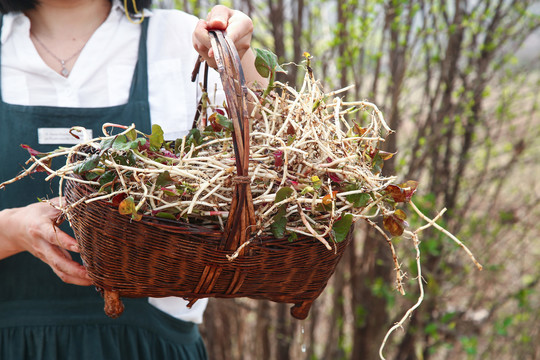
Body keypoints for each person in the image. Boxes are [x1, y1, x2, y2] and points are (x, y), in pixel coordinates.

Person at [0, 0, 266, 358]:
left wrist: (239, 58)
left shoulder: (178, 38)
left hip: (151, 346)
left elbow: (270, 167)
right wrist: (12, 229)